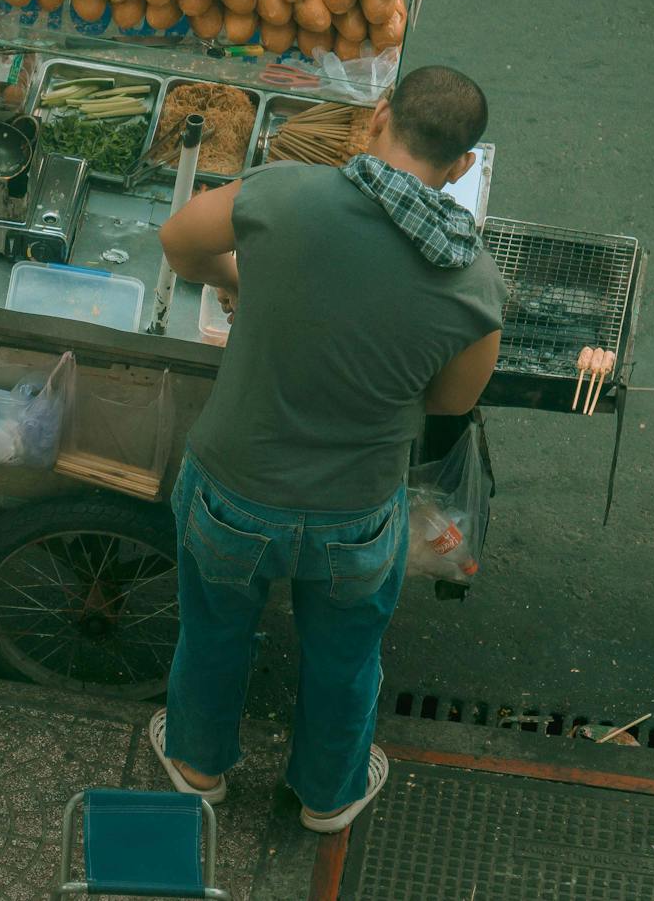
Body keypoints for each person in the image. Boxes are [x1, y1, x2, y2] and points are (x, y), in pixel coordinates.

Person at [147, 64, 505, 833]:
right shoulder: (473, 281)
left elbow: (179, 243)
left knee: (213, 632)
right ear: (463, 165)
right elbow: (451, 400)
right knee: (345, 660)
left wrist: (251, 278)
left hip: (232, 489)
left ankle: (199, 768)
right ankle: (328, 795)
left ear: (378, 118)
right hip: (356, 514)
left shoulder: (283, 193)